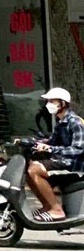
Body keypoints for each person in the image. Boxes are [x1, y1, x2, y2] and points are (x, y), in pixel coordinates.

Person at [27, 87, 84, 221]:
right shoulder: (60, 123)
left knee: (34, 170)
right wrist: (36, 143)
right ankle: (47, 206)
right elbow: (52, 142)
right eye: (48, 101)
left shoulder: (75, 122)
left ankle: (56, 210)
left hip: (74, 166)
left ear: (62, 103)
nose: (48, 105)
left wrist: (50, 149)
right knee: (28, 171)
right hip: (63, 162)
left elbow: (78, 149)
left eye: (52, 101)